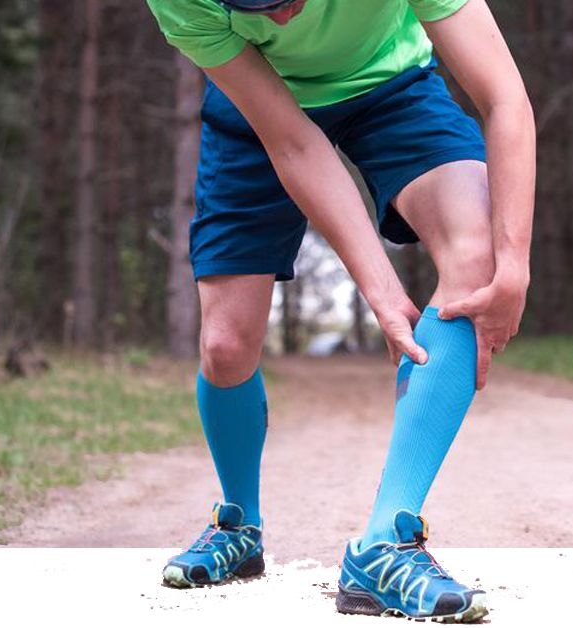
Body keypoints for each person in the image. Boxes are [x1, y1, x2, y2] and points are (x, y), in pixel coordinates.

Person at [145, 0, 534, 621]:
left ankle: (385, 543)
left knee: (476, 254)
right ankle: (239, 526)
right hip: (261, 110)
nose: (277, 22)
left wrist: (513, 265)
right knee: (225, 346)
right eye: (254, 6)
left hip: (391, 86)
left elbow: (504, 97)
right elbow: (294, 143)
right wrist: (378, 288)